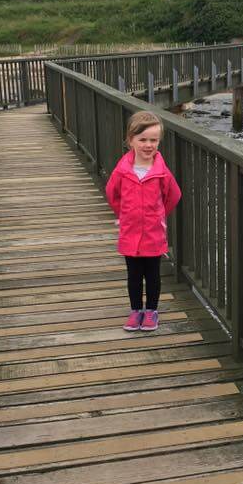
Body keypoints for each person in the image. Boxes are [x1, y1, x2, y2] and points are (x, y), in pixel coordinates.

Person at [105, 111, 182, 331]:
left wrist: (159, 215)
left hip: (153, 233)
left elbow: (173, 195)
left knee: (153, 274)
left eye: (154, 140)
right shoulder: (122, 171)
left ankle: (152, 311)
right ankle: (136, 310)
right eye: (143, 140)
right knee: (134, 275)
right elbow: (112, 194)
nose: (148, 145)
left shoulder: (161, 173)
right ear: (130, 141)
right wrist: (124, 214)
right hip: (130, 232)